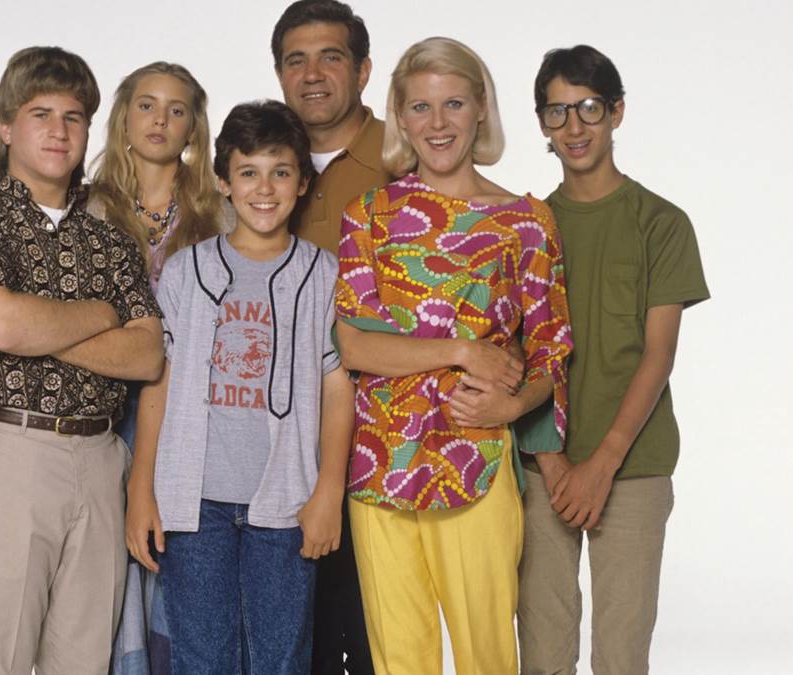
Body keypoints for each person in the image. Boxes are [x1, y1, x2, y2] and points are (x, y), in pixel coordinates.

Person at [334, 37, 574, 674]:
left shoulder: (526, 222)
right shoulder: (369, 215)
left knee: (486, 655)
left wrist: (513, 405)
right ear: (400, 115)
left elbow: (551, 348)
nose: (437, 123)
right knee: (398, 661)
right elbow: (355, 344)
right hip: (380, 463)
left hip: (475, 457)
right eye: (420, 107)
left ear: (481, 108)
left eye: (454, 104)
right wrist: (465, 350)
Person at [0, 46, 164, 675]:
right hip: (15, 450)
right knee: (0, 651)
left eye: (73, 117)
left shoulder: (113, 239)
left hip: (102, 456)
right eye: (40, 114)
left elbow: (147, 356)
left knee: (85, 657)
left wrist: (34, 324)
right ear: (7, 127)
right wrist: (102, 313)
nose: (59, 131)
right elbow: (0, 325)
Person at [125, 100, 356, 675]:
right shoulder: (187, 271)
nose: (265, 189)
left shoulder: (323, 275)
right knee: (202, 660)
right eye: (248, 172)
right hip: (195, 506)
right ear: (224, 182)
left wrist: (328, 492)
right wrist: (142, 489)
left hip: (287, 502)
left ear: (303, 182)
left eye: (281, 172)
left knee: (280, 660)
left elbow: (337, 390)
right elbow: (158, 383)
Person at [517, 45, 709, 675]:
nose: (573, 126)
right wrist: (553, 461)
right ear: (542, 123)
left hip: (633, 463)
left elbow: (658, 356)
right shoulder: (527, 228)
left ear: (617, 112)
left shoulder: (661, 223)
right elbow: (514, 353)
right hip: (543, 466)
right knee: (542, 654)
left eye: (589, 108)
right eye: (557, 111)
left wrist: (601, 465)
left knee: (622, 656)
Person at [89, 62, 223, 675]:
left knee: (178, 575)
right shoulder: (85, 207)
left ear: (193, 126)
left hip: (192, 424)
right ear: (124, 117)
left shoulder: (221, 210)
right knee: (108, 584)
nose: (160, 120)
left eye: (176, 109)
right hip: (102, 420)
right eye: (146, 105)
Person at [270, 3, 388, 670]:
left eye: (331, 57)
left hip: (383, 440)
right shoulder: (261, 164)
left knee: (373, 638)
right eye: (297, 60)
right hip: (279, 442)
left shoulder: (405, 157)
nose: (312, 74)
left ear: (363, 70)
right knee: (294, 640)